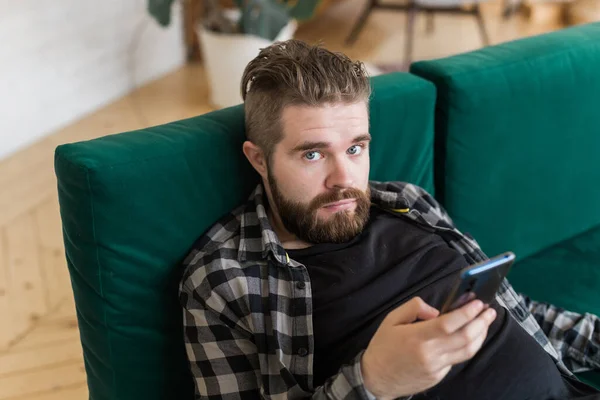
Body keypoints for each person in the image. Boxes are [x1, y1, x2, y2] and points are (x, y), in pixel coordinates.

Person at [179, 39, 600, 399]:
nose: (343, 179)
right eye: (312, 154)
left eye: (355, 148)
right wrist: (374, 382)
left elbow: (510, 309)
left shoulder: (410, 202)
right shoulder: (223, 281)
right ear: (259, 158)